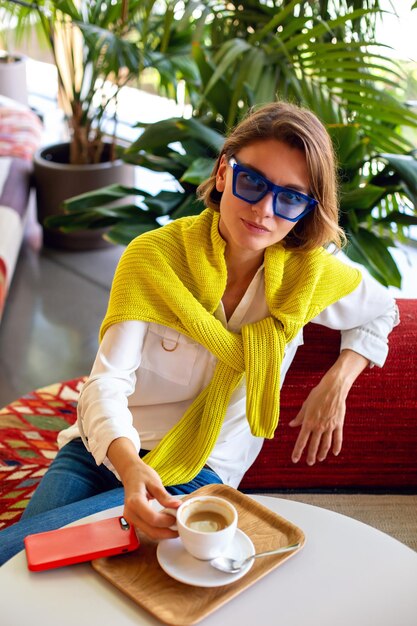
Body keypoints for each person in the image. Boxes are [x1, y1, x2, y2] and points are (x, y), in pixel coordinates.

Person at [0, 101, 398, 564]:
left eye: (290, 197)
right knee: (20, 561)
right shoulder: (153, 258)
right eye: (252, 182)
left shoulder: (311, 278)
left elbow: (382, 310)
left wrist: (339, 380)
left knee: (29, 556)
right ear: (225, 172)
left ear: (307, 209)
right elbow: (105, 383)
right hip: (101, 451)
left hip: (199, 470)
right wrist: (129, 469)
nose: (265, 210)